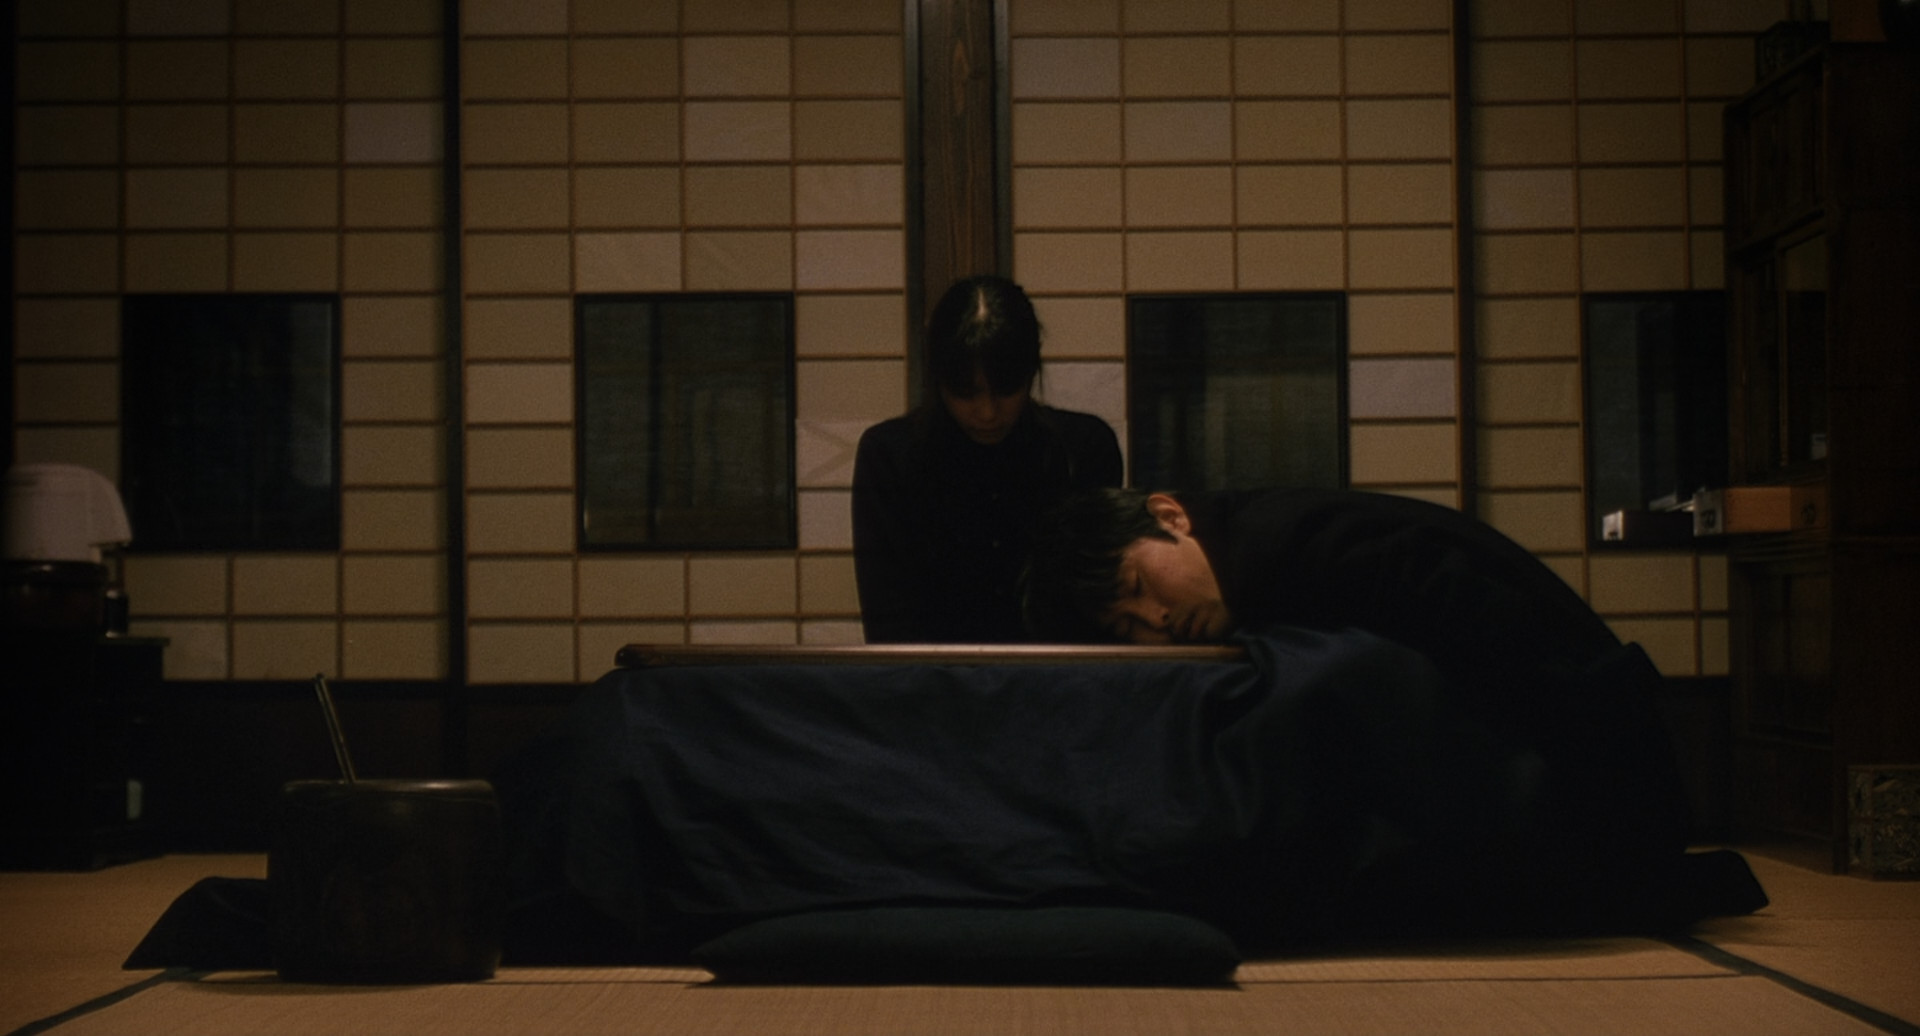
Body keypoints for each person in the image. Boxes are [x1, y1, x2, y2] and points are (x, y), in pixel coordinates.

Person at [1024, 487, 1707, 917]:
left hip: (1590, 776)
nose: (1156, 620)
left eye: (1138, 584)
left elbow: (1503, 652)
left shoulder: (1297, 545)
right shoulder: (1258, 560)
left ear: (1170, 515)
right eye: (1126, 626)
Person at [852, 275, 1122, 643]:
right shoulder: (889, 456)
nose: (987, 413)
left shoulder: (1083, 448)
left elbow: (1096, 612)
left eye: (1006, 389)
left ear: (1031, 371)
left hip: (1057, 673)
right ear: (938, 379)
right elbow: (888, 625)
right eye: (965, 392)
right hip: (927, 675)